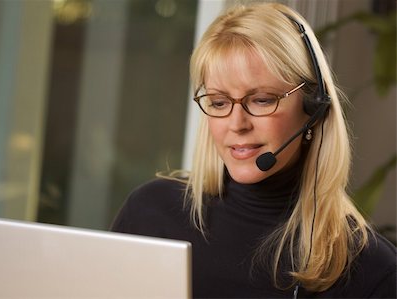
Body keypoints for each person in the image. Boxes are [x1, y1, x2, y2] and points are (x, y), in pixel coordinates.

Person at [111, 2, 396, 298]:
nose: (237, 124)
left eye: (261, 100)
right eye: (219, 102)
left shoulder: (371, 269)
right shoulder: (150, 214)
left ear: (313, 108)